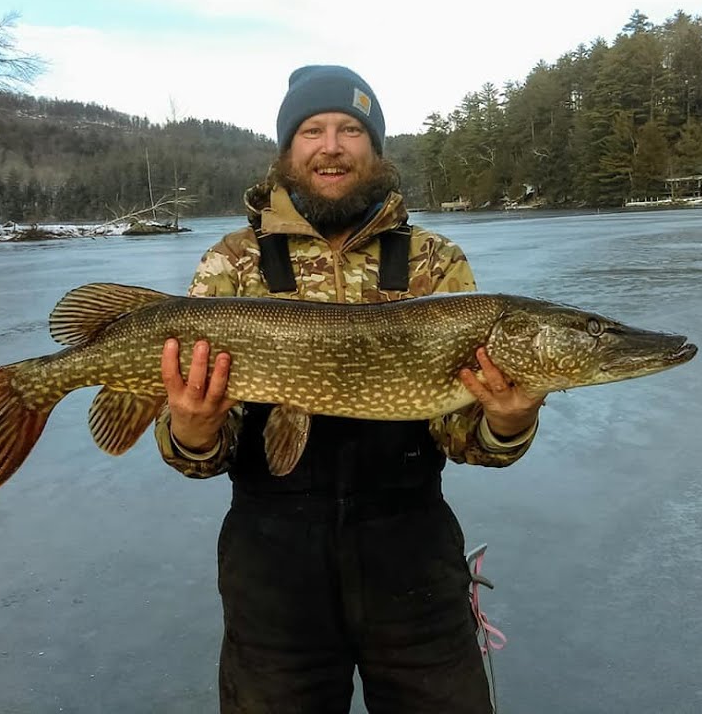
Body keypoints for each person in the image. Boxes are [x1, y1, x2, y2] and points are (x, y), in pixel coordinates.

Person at [152, 64, 547, 714]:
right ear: (288, 149)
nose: (331, 145)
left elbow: (460, 433)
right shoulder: (233, 262)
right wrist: (191, 432)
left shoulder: (434, 262)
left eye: (350, 130)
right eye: (312, 129)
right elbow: (203, 448)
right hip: (272, 568)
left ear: (376, 149)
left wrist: (505, 423)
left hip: (411, 558)